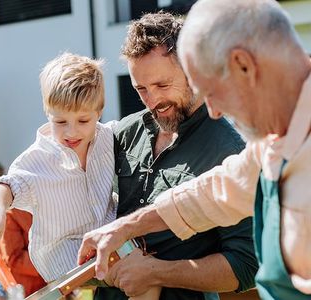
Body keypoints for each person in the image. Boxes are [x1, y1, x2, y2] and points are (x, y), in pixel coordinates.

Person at [78, 1, 311, 299]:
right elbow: (212, 194)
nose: (213, 111)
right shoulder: (275, 141)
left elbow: (244, 262)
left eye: (212, 91)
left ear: (243, 64)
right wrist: (124, 228)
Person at [90, 12, 258, 300]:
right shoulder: (124, 132)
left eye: (162, 86)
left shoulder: (231, 151)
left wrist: (156, 272)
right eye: (140, 89)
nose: (152, 101)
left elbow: (245, 266)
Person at [0, 53, 158, 300]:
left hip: (103, 240)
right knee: (142, 279)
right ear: (47, 112)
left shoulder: (107, 137)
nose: (71, 131)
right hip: (63, 254)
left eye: (83, 120)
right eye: (60, 121)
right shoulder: (37, 159)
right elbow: (5, 185)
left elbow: (140, 127)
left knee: (149, 270)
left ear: (99, 111)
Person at [0, 208, 46, 299]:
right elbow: (15, 258)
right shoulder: (11, 210)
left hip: (52, 281)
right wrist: (51, 261)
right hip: (12, 281)